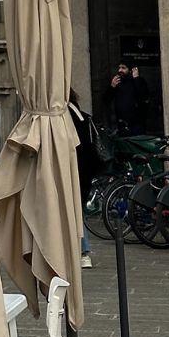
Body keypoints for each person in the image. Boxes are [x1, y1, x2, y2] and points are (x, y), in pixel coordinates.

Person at [68, 87, 100, 269]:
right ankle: (81, 251)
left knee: (75, 211)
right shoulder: (78, 112)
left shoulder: (64, 114)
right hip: (85, 170)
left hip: (76, 169)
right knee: (76, 210)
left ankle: (83, 251)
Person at [108, 61, 150, 135]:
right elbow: (106, 99)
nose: (120, 70)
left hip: (137, 125)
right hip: (121, 125)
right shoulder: (117, 82)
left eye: (123, 68)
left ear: (131, 70)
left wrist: (136, 79)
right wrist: (112, 87)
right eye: (119, 68)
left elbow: (143, 97)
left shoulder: (139, 81)